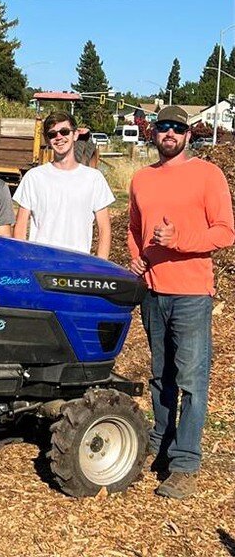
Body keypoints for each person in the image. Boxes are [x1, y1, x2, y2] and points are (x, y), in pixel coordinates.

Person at [128, 105, 234, 499]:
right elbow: (134, 229)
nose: (169, 134)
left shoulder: (208, 175)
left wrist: (179, 242)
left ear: (188, 135)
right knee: (161, 375)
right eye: (163, 128)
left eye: (177, 128)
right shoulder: (141, 179)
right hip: (152, 292)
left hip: (190, 293)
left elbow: (225, 232)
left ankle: (185, 462)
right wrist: (136, 257)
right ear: (153, 134)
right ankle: (160, 442)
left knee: (191, 380)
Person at [13, 111, 114, 258]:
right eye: (52, 134)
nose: (59, 137)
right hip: (41, 263)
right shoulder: (34, 177)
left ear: (75, 135)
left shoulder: (94, 179)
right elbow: (20, 226)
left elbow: (104, 229)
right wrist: (22, 261)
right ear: (47, 140)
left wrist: (101, 265)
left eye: (64, 131)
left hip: (78, 264)